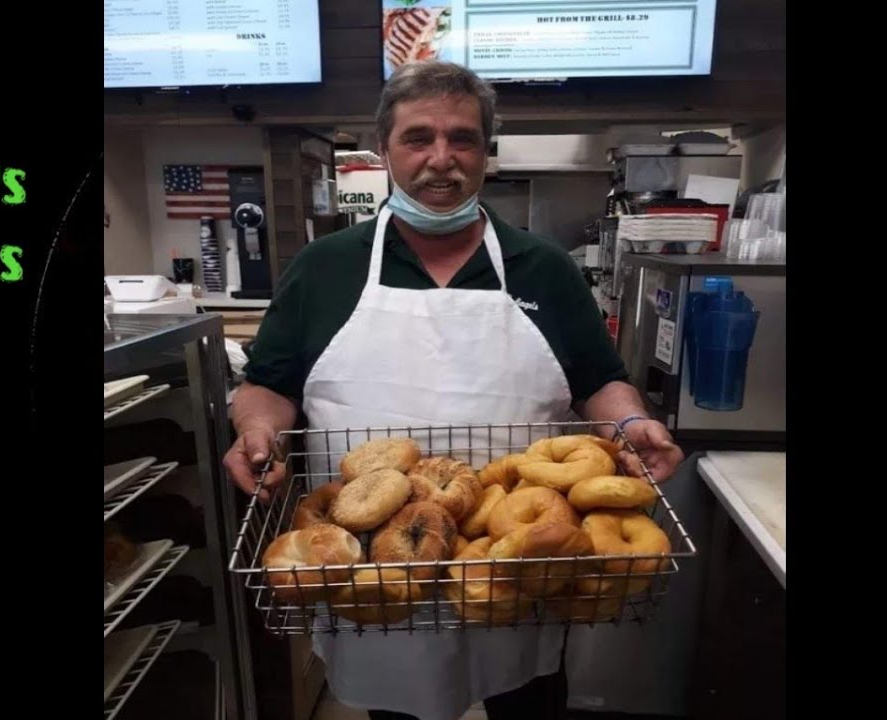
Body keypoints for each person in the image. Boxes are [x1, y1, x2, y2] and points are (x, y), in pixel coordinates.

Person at [224, 60, 684, 720]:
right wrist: (256, 428)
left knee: (527, 698)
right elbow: (267, 384)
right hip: (376, 564)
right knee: (400, 705)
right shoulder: (325, 267)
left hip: (519, 556)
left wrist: (630, 421)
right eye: (419, 138)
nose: (442, 160)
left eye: (463, 139)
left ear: (484, 152)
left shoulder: (542, 267)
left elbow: (598, 381)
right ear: (384, 148)